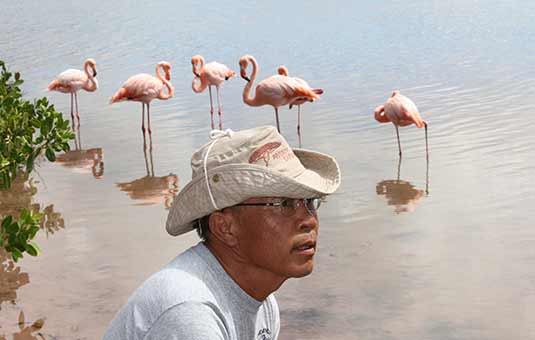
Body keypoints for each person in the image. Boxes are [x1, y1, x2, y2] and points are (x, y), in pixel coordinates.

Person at [103, 125, 341, 340]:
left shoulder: (263, 304)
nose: (308, 219)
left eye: (310, 201)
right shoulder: (190, 312)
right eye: (284, 204)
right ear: (224, 227)